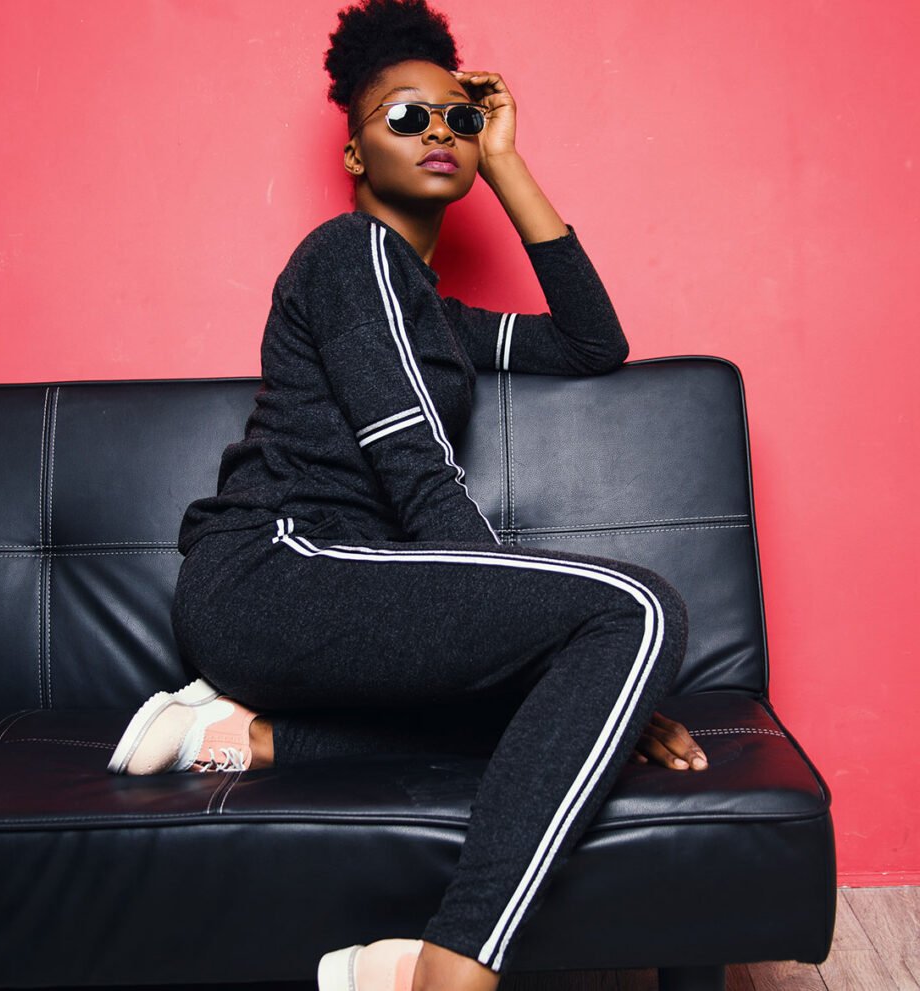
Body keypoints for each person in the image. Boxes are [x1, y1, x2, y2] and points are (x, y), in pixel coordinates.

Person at [107, 1, 710, 989]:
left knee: (581, 696)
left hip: (337, 596)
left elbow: (591, 343)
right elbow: (420, 475)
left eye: (458, 119)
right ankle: (452, 963)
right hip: (274, 570)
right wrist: (577, 651)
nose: (439, 131)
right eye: (405, 115)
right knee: (636, 612)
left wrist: (507, 160)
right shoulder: (349, 255)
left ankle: (237, 734)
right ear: (355, 152)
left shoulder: (434, 313)